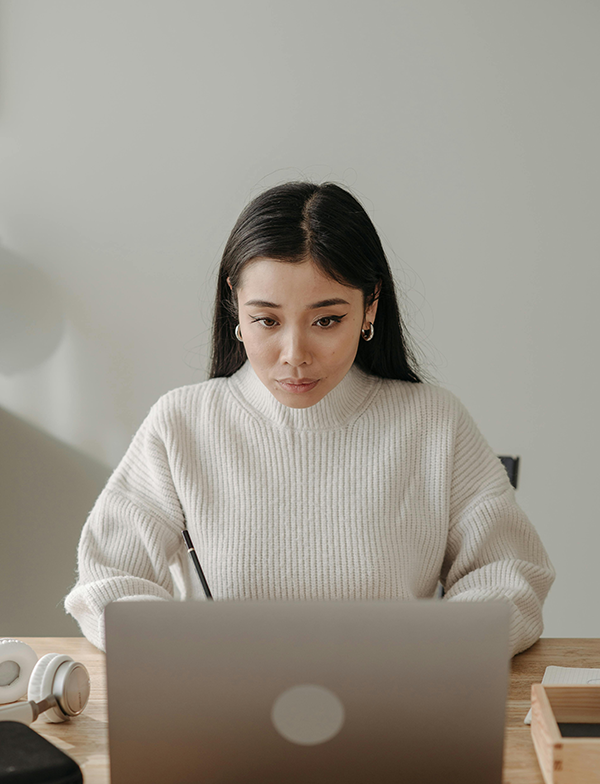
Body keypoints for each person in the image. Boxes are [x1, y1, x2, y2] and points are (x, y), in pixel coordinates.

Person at [64, 181, 555, 655]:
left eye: (326, 320)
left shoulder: (434, 423)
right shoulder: (181, 424)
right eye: (267, 321)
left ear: (370, 307)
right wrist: (192, 653)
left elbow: (511, 578)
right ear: (235, 305)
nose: (294, 355)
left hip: (395, 713)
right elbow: (106, 583)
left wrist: (423, 654)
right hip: (224, 720)